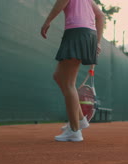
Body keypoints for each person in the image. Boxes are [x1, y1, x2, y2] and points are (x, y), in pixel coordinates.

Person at [41, 0, 105, 142]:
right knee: (58, 76)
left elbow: (61, 2)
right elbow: (101, 16)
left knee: (69, 83)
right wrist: (97, 41)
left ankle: (75, 131)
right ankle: (81, 119)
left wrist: (47, 21)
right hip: (87, 35)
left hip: (77, 33)